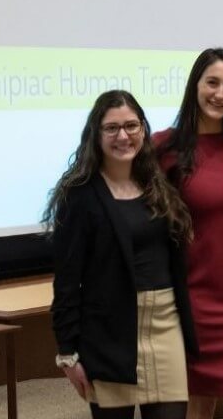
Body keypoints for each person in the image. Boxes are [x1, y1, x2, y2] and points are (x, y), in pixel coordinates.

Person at [46, 90, 199, 419]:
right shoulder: (80, 196)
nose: (123, 136)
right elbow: (68, 280)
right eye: (112, 128)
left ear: (143, 130)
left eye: (131, 126)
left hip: (165, 324)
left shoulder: (158, 186)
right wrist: (67, 352)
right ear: (95, 134)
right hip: (109, 333)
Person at [153, 48, 223, 419]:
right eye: (213, 82)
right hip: (194, 297)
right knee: (197, 410)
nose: (220, 93)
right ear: (195, 86)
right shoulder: (164, 147)